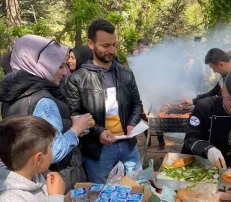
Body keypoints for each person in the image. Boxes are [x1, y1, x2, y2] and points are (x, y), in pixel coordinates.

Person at [0, 35, 91, 193]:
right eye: (60, 66)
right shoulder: (43, 100)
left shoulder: (12, 94)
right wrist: (76, 128)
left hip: (29, 179)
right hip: (56, 179)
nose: (65, 72)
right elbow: (52, 151)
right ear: (40, 65)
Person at [64, 19, 143, 183]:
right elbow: (76, 115)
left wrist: (132, 123)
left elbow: (137, 104)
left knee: (137, 189)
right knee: (100, 195)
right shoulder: (76, 79)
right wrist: (98, 132)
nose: (112, 50)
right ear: (91, 44)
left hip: (129, 146)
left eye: (113, 45)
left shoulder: (126, 73)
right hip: (98, 151)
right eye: (106, 46)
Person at [182, 65, 231, 202]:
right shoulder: (205, 106)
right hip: (195, 166)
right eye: (230, 99)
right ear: (223, 90)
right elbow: (190, 138)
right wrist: (208, 150)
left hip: (224, 168)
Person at [0, 116, 65, 202]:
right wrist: (56, 197)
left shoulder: (35, 173)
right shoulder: (10, 198)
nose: (52, 151)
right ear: (38, 159)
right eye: (51, 147)